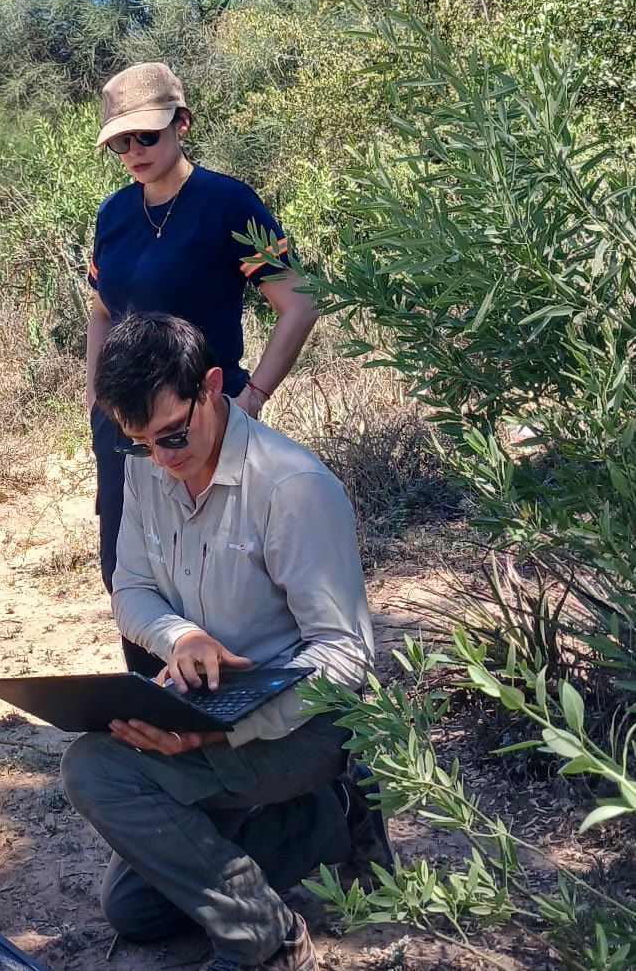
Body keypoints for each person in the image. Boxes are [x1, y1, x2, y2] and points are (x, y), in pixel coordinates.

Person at [61, 314, 390, 971]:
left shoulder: (292, 487)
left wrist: (218, 732)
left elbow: (345, 653)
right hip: (207, 707)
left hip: (309, 724)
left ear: (211, 386)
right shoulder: (147, 467)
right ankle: (322, 822)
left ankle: (267, 939)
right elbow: (130, 589)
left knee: (93, 767)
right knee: (136, 909)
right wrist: (179, 636)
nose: (161, 459)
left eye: (171, 435)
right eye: (139, 443)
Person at [86, 62, 321, 678]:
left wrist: (253, 397)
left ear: (182, 123)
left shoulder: (228, 204)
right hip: (127, 429)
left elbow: (298, 303)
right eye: (121, 142)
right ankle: (153, 705)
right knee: (131, 569)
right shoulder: (113, 216)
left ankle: (237, 703)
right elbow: (103, 311)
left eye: (147, 135)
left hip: (205, 420)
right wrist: (99, 405)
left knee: (221, 571)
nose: (134, 152)